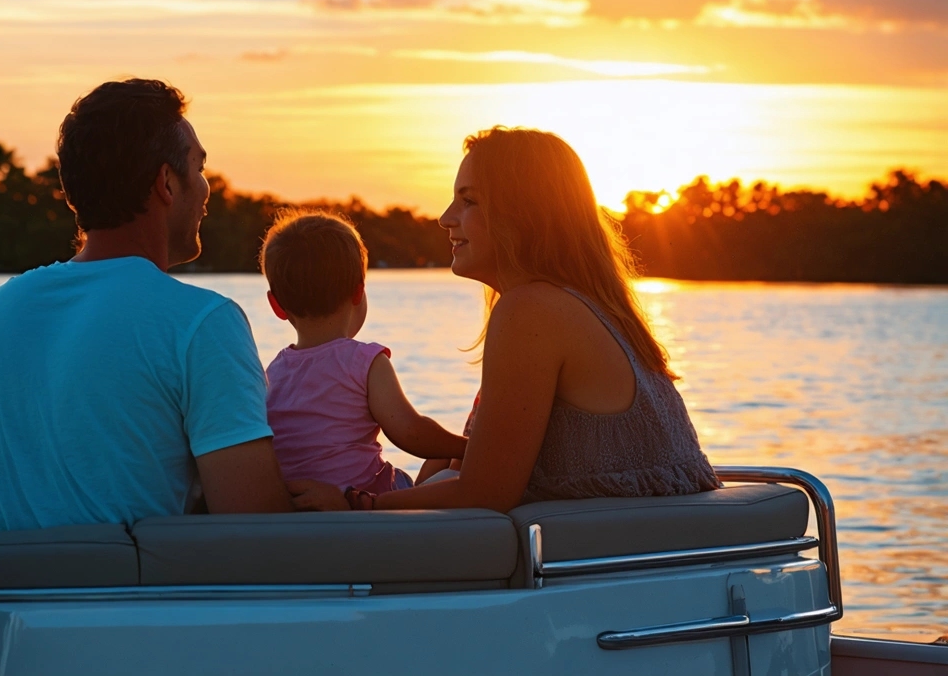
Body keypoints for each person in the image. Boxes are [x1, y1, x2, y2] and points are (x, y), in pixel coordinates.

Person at [288, 127, 720, 513]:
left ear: (523, 214)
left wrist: (356, 503)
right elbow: (472, 467)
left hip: (612, 570)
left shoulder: (532, 311)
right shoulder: (582, 307)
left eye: (469, 200)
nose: (445, 218)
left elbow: (484, 494)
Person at [0, 78, 291, 538]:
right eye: (198, 168)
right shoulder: (200, 323)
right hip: (128, 606)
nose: (206, 189)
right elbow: (256, 530)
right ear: (167, 183)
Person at [259, 210, 467, 494]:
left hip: (302, 505)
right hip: (365, 501)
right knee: (448, 456)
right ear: (359, 292)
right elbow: (411, 433)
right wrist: (469, 447)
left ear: (276, 306)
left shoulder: (274, 372)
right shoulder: (365, 362)